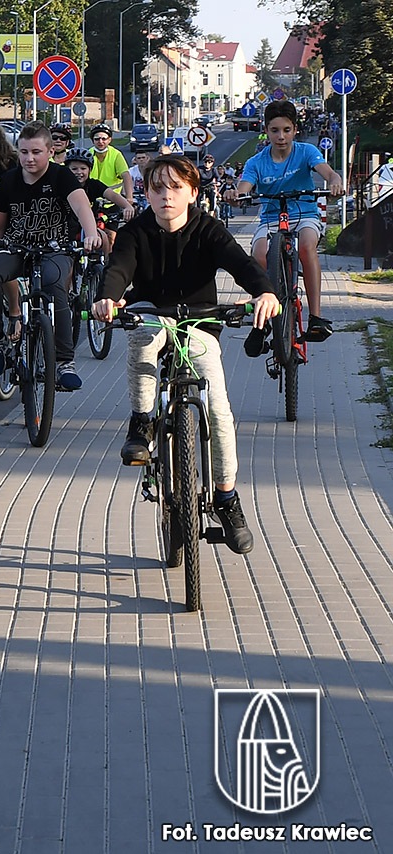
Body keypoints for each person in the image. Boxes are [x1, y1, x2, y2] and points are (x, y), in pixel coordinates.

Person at [92, 154, 280, 555]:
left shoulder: (208, 229)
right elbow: (119, 269)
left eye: (176, 188)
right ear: (146, 193)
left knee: (219, 410)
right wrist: (108, 298)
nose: (166, 196)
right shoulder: (135, 231)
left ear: (193, 193)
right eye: (157, 188)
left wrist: (264, 292)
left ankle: (227, 498)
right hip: (151, 312)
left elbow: (241, 264)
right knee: (143, 336)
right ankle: (142, 422)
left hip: (199, 322)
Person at [0, 121, 102, 391]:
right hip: (16, 247)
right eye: (24, 152)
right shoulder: (10, 180)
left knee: (53, 284)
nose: (29, 158)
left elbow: (81, 206)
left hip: (55, 249)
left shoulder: (61, 176)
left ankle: (64, 362)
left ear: (49, 151)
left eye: (36, 152)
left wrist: (91, 233)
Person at [227, 99, 344, 342]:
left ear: (295, 130)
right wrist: (235, 195)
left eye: (287, 130)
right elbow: (244, 187)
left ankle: (316, 317)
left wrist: (335, 181)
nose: (281, 137)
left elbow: (328, 172)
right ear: (266, 131)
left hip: (304, 214)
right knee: (259, 254)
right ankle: (262, 319)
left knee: (307, 246)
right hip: (271, 218)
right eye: (275, 130)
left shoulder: (306, 152)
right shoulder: (256, 162)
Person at [65, 146, 134, 252]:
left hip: (90, 227)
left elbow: (112, 195)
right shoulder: (63, 186)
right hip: (67, 229)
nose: (79, 172)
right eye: (74, 169)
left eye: (83, 169)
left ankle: (105, 261)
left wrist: (127, 206)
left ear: (90, 170)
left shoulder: (94, 185)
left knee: (106, 239)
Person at [89, 123, 134, 199]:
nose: (100, 141)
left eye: (104, 139)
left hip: (113, 199)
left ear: (109, 140)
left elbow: (126, 175)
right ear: (92, 140)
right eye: (97, 139)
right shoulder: (88, 154)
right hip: (92, 199)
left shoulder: (116, 154)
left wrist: (129, 197)